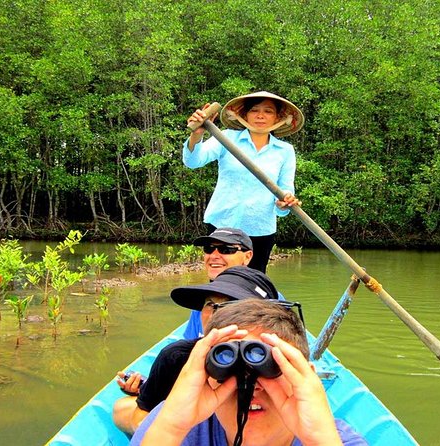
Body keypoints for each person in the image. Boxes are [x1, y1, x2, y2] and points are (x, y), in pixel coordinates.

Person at [129, 299, 367, 446]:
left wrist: (318, 442)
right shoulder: (176, 423)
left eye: (273, 365)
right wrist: (170, 429)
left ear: (308, 380)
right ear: (206, 376)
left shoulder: (336, 440)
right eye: (229, 366)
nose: (250, 384)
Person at [112, 266, 280, 435]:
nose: (216, 313)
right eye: (210, 304)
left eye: (232, 305)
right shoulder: (177, 356)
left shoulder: (281, 360)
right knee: (121, 409)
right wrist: (158, 432)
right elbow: (142, 412)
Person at [184, 91, 304, 273]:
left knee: (254, 283)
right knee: (221, 282)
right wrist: (196, 135)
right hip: (222, 223)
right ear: (245, 114)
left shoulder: (285, 151)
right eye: (254, 110)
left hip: (260, 229)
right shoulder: (227, 138)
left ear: (278, 117)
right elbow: (193, 161)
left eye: (268, 111)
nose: (260, 115)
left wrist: (284, 203)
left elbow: (284, 197)